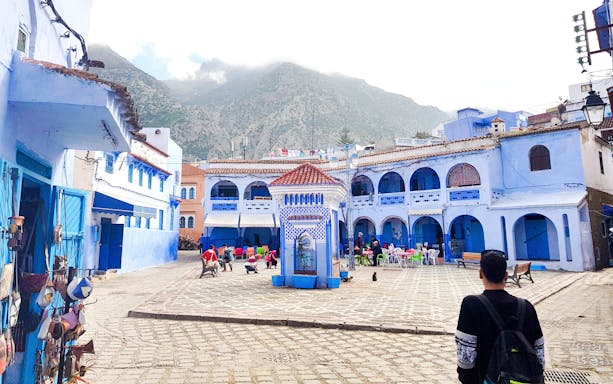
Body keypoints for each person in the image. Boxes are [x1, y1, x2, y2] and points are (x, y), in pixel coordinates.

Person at [455, 250, 544, 384]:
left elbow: (465, 361)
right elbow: (539, 357)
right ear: (506, 276)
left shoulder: (471, 305)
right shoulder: (526, 307)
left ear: (480, 274)